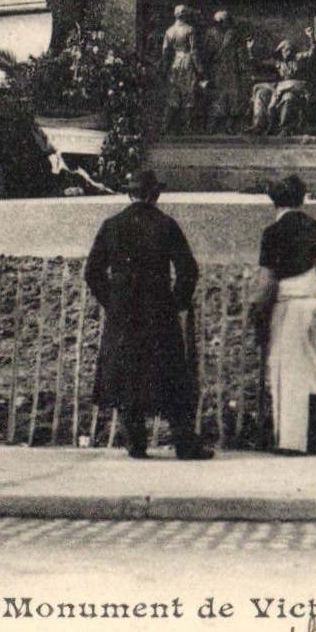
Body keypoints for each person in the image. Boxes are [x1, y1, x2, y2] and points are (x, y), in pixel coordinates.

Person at [84, 169, 211, 459]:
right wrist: (175, 302)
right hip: (158, 311)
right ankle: (183, 443)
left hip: (124, 314)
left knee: (127, 373)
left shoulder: (112, 225)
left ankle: (136, 442)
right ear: (156, 195)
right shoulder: (166, 225)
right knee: (169, 373)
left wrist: (113, 301)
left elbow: (92, 272)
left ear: (130, 193)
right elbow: (187, 270)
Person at [249, 175, 316, 454]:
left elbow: (268, 282)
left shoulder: (273, 233)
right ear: (302, 199)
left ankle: (292, 442)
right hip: (315, 300)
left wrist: (258, 310)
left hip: (288, 303)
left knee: (289, 372)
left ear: (274, 203)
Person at [160, 5, 205, 132]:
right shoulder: (190, 30)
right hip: (187, 62)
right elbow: (194, 51)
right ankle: (187, 127)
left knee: (173, 95)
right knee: (188, 94)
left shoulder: (169, 31)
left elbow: (165, 52)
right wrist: (200, 69)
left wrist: (164, 68)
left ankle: (166, 126)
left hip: (174, 63)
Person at [204, 9, 251, 133]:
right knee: (217, 97)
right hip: (217, 70)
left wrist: (243, 66)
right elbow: (206, 51)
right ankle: (212, 126)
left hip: (231, 69)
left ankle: (230, 126)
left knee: (232, 98)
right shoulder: (210, 33)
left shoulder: (234, 34)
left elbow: (240, 51)